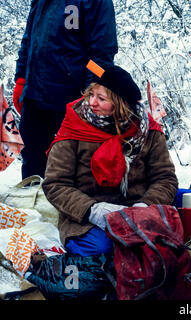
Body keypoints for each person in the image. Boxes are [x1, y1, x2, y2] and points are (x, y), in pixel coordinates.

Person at [42, 64, 178, 257]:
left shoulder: (147, 131)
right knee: (105, 250)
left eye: (101, 98)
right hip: (85, 218)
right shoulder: (74, 127)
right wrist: (93, 210)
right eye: (91, 95)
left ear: (120, 104)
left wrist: (145, 206)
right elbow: (55, 184)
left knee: (159, 249)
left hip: (138, 214)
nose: (92, 102)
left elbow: (165, 178)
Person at [13, 0, 118, 179]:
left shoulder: (98, 3)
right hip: (34, 94)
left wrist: (91, 95)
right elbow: (29, 40)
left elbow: (102, 52)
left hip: (71, 99)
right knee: (31, 164)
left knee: (69, 167)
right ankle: (31, 204)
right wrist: (21, 78)